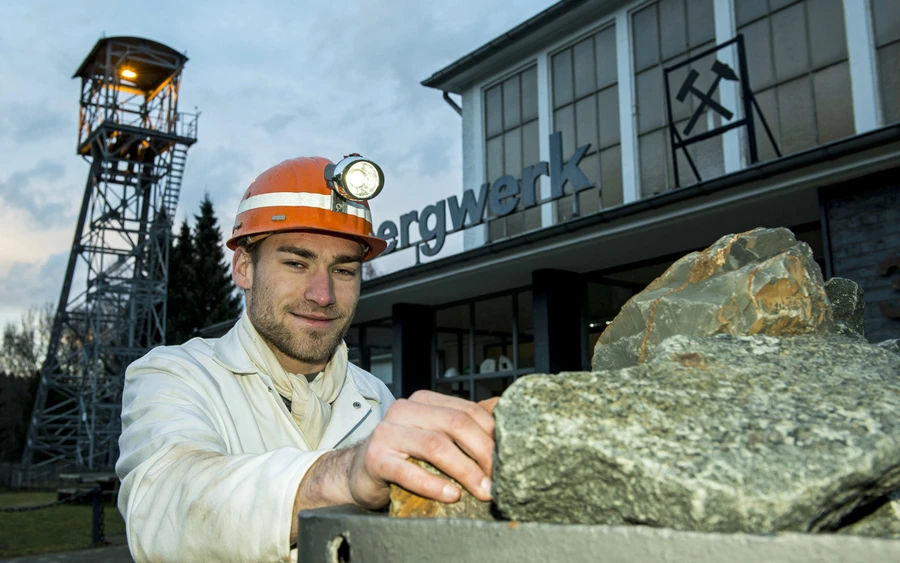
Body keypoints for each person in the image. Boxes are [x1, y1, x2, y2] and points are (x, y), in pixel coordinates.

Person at [116, 155, 497, 562]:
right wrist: (344, 475)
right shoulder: (174, 374)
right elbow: (165, 507)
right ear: (244, 267)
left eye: (344, 271)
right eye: (297, 263)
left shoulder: (377, 398)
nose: (322, 294)